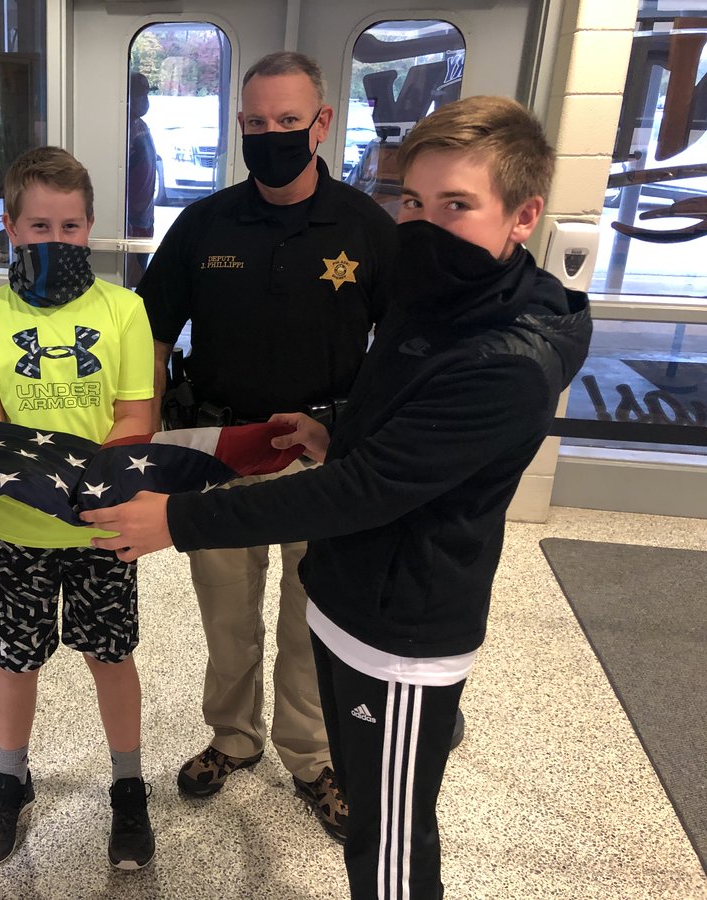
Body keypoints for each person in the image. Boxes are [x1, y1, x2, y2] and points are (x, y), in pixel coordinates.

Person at [82, 96, 592, 899]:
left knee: (388, 853)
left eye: (457, 205)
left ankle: (307, 754)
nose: (424, 225)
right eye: (415, 202)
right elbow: (396, 412)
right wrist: (333, 426)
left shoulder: (505, 358)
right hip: (348, 586)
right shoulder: (450, 306)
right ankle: (238, 736)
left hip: (398, 631)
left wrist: (175, 520)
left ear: (523, 216)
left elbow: (362, 491)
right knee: (240, 624)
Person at [135, 50, 396, 840]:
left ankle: (311, 758)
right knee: (227, 613)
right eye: (257, 123)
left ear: (321, 123)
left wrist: (363, 436)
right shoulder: (204, 224)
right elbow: (147, 332)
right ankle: (233, 738)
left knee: (309, 617)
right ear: (240, 125)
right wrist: (146, 442)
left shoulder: (366, 227)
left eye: (289, 121)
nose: (272, 135)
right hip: (224, 450)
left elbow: (401, 348)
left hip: (325, 455)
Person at [0, 146, 156, 870]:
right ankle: (11, 778)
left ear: (92, 227)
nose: (57, 241)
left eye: (71, 227)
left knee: (112, 654)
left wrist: (84, 488)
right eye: (40, 226)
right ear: (11, 227)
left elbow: (136, 415)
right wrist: (49, 481)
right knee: (16, 660)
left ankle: (128, 786)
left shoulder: (125, 309)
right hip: (17, 526)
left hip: (104, 525)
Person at [125, 71, 158, 286]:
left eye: (147, 95)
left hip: (144, 217)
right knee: (130, 279)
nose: (145, 100)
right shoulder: (124, 128)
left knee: (139, 277)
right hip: (131, 221)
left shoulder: (139, 125)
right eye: (141, 95)